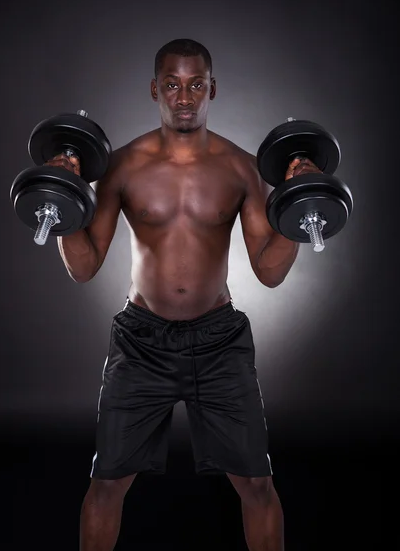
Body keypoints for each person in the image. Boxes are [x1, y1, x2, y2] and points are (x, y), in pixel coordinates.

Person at [50, 39, 321, 551]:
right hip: (140, 342)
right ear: (155, 89)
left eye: (196, 84)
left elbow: (269, 273)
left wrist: (297, 208)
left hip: (218, 342)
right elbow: (85, 267)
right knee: (106, 483)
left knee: (258, 485)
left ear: (212, 88)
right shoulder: (122, 167)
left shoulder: (240, 168)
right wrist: (62, 208)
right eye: (172, 85)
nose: (184, 97)